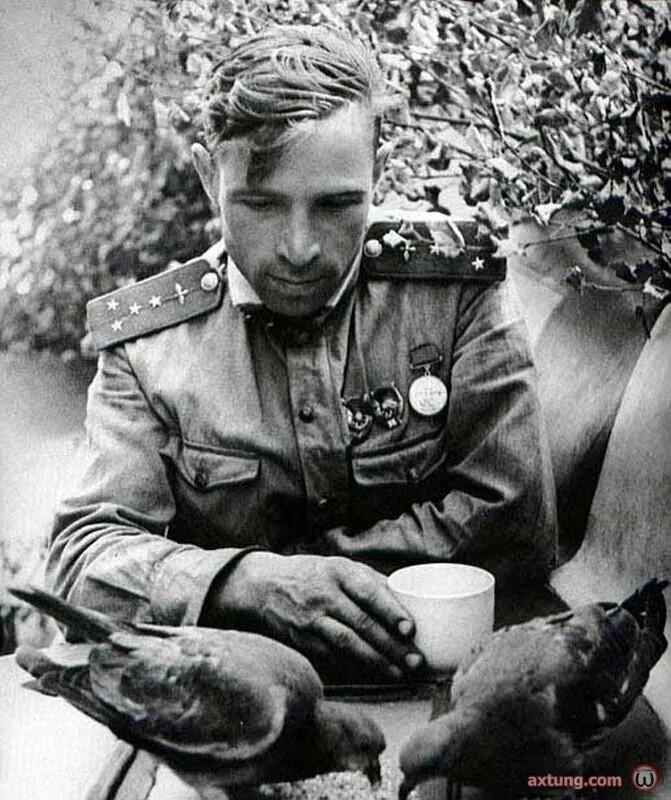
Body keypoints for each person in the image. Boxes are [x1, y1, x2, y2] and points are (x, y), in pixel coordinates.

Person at [47, 24, 557, 683]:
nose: (298, 249)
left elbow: (516, 520)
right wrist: (247, 584)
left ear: (377, 168)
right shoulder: (148, 345)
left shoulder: (455, 290)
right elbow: (81, 562)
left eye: (335, 204)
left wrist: (299, 580)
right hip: (235, 698)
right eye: (259, 204)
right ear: (207, 175)